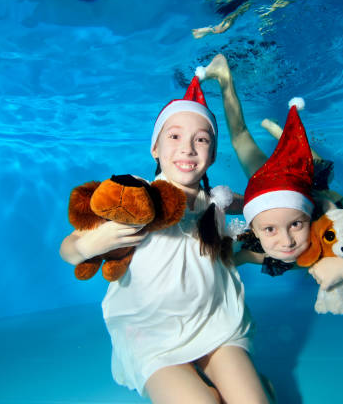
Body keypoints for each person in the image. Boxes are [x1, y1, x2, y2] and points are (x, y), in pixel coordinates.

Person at [59, 75, 273, 403]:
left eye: (201, 140)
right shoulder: (135, 196)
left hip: (214, 323)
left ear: (213, 154)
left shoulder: (217, 199)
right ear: (155, 147)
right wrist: (93, 244)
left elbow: (260, 204)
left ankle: (252, 385)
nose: (187, 148)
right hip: (151, 336)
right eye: (174, 136)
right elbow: (69, 249)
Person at [198, 54, 343, 315]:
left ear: (311, 220)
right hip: (274, 189)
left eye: (297, 225)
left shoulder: (333, 239)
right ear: (253, 230)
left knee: (312, 168)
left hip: (304, 194)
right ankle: (227, 80)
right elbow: (218, 263)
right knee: (247, 141)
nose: (286, 242)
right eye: (270, 230)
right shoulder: (259, 250)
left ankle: (280, 132)